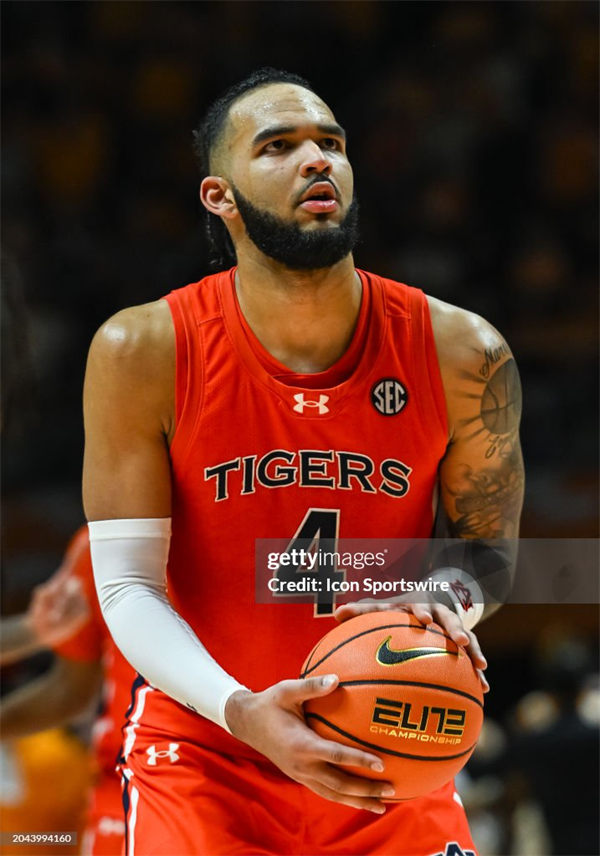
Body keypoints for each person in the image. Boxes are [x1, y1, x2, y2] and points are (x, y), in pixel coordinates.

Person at [82, 68, 524, 856]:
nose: (316, 160)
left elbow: (485, 553)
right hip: (210, 749)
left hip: (390, 746)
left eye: (331, 143)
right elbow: (127, 584)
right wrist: (239, 707)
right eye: (279, 146)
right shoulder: (143, 349)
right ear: (219, 196)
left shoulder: (465, 352)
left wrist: (444, 596)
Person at [1, 527, 134, 856]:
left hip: (251, 764)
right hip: (125, 782)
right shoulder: (98, 543)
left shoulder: (55, 759)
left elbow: (70, 694)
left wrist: (33, 631)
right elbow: (70, 690)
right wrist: (32, 631)